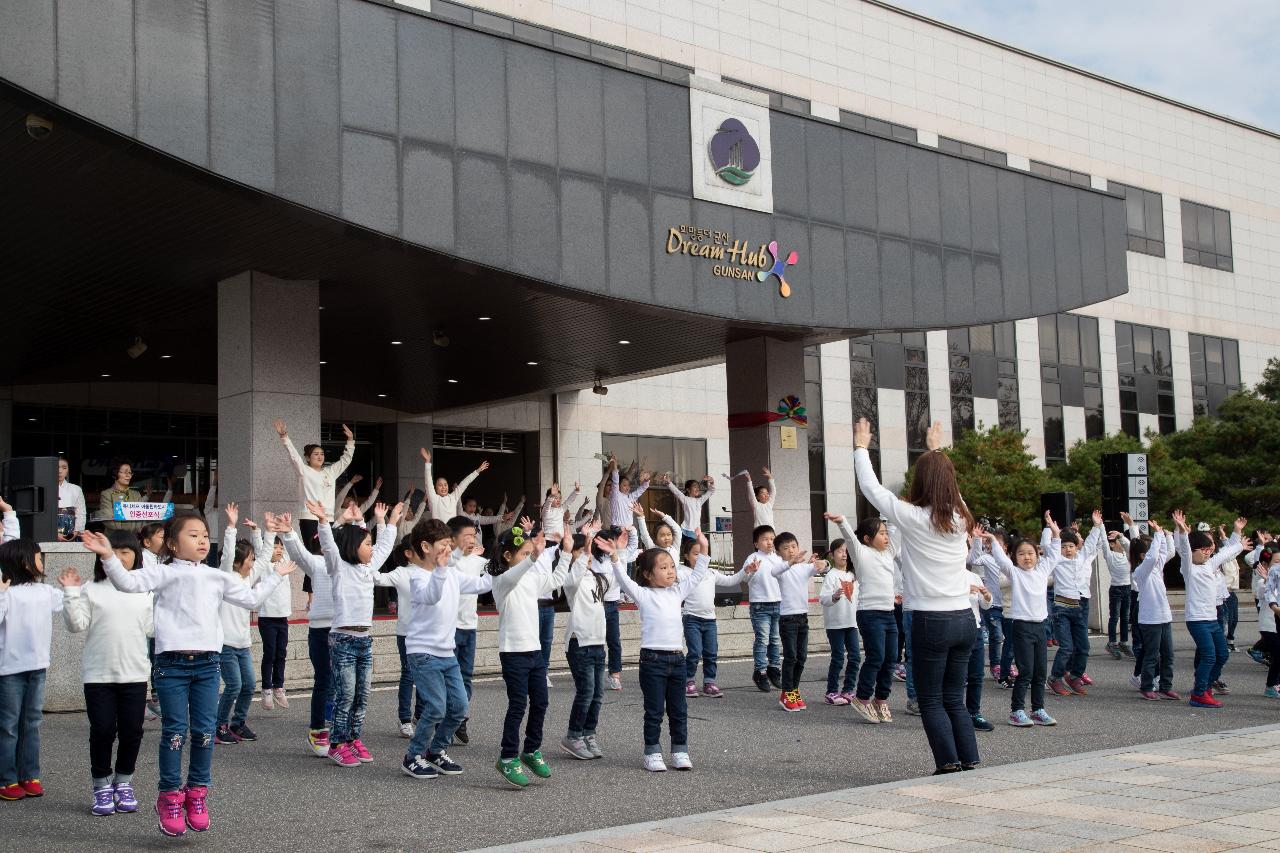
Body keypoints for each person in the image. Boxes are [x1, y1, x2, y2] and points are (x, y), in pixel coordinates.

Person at [86, 516, 294, 837]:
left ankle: (197, 794)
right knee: (175, 732)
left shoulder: (216, 576)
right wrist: (108, 557)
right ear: (172, 543)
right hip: (171, 666)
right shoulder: (163, 572)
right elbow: (127, 583)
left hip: (208, 665)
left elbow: (251, 599)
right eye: (193, 534)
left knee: (204, 732)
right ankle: (169, 796)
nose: (201, 540)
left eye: (204, 535)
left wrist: (276, 576)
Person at [853, 417, 979, 775]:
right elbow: (950, 488)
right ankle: (970, 760)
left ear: (920, 482)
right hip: (964, 619)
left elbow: (871, 489)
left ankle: (949, 763)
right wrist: (936, 451)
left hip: (930, 620)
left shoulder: (913, 517)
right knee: (955, 697)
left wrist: (862, 446)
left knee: (931, 698)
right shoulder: (960, 516)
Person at [599, 527, 712, 772]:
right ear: (649, 574)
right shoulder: (642, 594)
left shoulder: (678, 591)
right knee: (654, 711)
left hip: (677, 660)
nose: (670, 571)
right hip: (652, 661)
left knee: (679, 710)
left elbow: (697, 574)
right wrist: (616, 557)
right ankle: (652, 751)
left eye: (672, 566)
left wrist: (703, 548)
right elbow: (623, 580)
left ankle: (680, 750)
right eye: (663, 568)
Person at [60, 530, 152, 815]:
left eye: (128, 552)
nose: (122, 558)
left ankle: (124, 782)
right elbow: (76, 625)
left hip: (135, 674)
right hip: (98, 675)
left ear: (136, 556)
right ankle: (101, 784)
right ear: (102, 556)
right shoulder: (91, 588)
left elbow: (152, 629)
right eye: (116, 551)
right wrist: (71, 592)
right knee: (102, 730)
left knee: (132, 731)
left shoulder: (144, 589)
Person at [308, 498, 402, 767]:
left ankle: (353, 739)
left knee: (362, 695)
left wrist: (390, 522)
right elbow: (328, 545)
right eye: (367, 544)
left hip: (364, 640)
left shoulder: (368, 569)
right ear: (353, 547)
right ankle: (337, 744)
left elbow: (384, 547)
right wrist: (324, 522)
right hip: (343, 640)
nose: (372, 549)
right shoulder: (339, 568)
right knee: (345, 694)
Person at [399, 519, 490, 780]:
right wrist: (441, 570)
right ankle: (412, 756)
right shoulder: (417, 576)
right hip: (422, 653)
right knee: (436, 707)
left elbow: (482, 585)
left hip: (447, 653)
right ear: (426, 547)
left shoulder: (450, 573)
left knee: (460, 707)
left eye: (450, 545)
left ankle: (436, 751)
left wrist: (505, 567)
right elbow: (431, 596)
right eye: (443, 546)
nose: (449, 550)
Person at [489, 520, 571, 787]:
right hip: (513, 652)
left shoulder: (532, 576)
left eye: (528, 553)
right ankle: (508, 757)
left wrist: (568, 553)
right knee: (517, 705)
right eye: (522, 554)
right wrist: (533, 558)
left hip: (534, 651)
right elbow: (514, 575)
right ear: (507, 556)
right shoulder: (501, 581)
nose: (528, 558)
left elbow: (558, 579)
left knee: (541, 703)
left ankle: (531, 750)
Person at [0, 534, 63, 802]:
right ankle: (7, 778)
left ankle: (29, 774)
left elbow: (70, 602)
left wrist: (74, 588)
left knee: (32, 723)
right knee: (8, 726)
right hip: (8, 670)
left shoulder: (45, 591)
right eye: (38, 557)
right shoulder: (8, 593)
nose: (42, 561)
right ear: (25, 563)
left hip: (38, 667)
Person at [269, 512, 336, 758]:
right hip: (320, 630)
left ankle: (342, 731)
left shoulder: (347, 565)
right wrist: (288, 533)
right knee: (324, 679)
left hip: (344, 630)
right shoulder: (317, 564)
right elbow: (299, 555)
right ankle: (317, 729)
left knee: (345, 682)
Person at [981, 518, 1057, 728]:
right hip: (1021, 626)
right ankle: (1016, 710)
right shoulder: (1014, 573)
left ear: (1037, 555)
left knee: (1041, 671)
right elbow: (1000, 558)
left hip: (1040, 626)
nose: (1027, 557)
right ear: (1014, 556)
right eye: (1021, 554)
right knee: (1026, 671)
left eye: (1031, 553)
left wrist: (1055, 534)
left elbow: (1054, 556)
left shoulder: (1042, 572)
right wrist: (992, 541)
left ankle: (1038, 708)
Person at [826, 512, 900, 725]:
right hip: (869, 614)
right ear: (867, 538)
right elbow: (850, 537)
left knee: (890, 659)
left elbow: (901, 532)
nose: (886, 537)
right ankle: (862, 698)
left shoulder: (889, 553)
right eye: (881, 534)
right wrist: (842, 521)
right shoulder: (861, 553)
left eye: (887, 533)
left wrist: (898, 512)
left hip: (888, 613)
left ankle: (881, 699)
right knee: (876, 657)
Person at [1174, 511, 1247, 708]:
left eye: (1209, 549)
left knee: (1222, 654)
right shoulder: (1188, 567)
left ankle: (1204, 686)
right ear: (1194, 550)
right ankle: (1198, 694)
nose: (1207, 552)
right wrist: (1181, 530)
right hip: (1197, 620)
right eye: (1203, 550)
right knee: (1209, 655)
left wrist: (1238, 537)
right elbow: (1185, 549)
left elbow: (1225, 553)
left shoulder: (1210, 564)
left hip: (1212, 619)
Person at [213, 505, 273, 744]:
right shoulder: (225, 576)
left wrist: (267, 531)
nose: (253, 561)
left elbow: (267, 557)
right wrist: (230, 527)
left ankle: (238, 723)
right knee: (234, 686)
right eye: (250, 558)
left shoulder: (248, 577)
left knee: (248, 685)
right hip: (225, 643)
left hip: (243, 643)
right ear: (239, 562)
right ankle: (219, 726)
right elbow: (227, 556)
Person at [676, 521, 751, 699]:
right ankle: (689, 681)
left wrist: (745, 571)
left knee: (711, 652)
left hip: (710, 620)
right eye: (695, 554)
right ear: (686, 556)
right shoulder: (683, 573)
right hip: (691, 618)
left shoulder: (711, 573)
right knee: (694, 651)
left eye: (702, 553)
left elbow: (731, 580)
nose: (700, 557)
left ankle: (709, 682)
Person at [559, 525, 610, 760]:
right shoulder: (571, 580)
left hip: (598, 644)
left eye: (587, 551)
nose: (587, 555)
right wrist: (584, 545)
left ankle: (589, 733)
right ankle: (573, 736)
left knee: (598, 694)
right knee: (586, 692)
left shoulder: (595, 577)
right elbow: (575, 573)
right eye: (581, 552)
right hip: (579, 643)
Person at [273, 419, 355, 553]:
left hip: (328, 518)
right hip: (309, 518)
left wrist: (350, 440)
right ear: (308, 458)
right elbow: (294, 456)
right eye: (316, 454)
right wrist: (284, 436)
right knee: (314, 553)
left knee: (327, 554)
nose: (320, 456)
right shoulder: (303, 470)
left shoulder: (330, 472)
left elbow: (346, 460)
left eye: (322, 454)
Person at [1046, 511, 1105, 698]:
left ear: (1077, 546)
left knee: (1083, 647)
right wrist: (1051, 530)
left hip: (1079, 607)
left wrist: (1096, 526)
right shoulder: (1057, 561)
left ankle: (1074, 676)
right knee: (1066, 647)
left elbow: (1090, 545)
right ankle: (1055, 678)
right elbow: (1049, 548)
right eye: (1064, 546)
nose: (1068, 549)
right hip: (1061, 608)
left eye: (1071, 546)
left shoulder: (1082, 558)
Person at [771, 534, 825, 712]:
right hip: (788, 619)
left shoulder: (804, 568)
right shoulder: (781, 568)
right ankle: (787, 693)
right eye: (786, 548)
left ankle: (794, 689)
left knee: (801, 657)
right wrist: (790, 562)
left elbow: (821, 568)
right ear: (778, 552)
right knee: (791, 656)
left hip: (803, 618)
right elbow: (774, 572)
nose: (791, 550)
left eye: (793, 546)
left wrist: (823, 564)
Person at [447, 515, 488, 744]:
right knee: (449, 678)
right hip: (450, 628)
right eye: (468, 536)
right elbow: (450, 562)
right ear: (453, 539)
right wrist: (456, 551)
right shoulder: (447, 560)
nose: (472, 540)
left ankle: (460, 718)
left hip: (470, 626)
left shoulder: (476, 561)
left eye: (474, 535)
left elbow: (498, 568)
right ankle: (448, 720)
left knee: (466, 676)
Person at [1133, 522, 1179, 700]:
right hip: (1149, 620)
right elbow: (1153, 558)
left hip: (1164, 617)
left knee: (1168, 655)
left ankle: (1165, 686)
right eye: (1151, 549)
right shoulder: (1140, 571)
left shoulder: (1157, 569)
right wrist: (1158, 535)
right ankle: (1146, 686)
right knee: (1152, 655)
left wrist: (1167, 536)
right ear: (1142, 555)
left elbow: (1169, 553)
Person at [253, 527, 291, 712]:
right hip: (267, 617)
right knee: (270, 654)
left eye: (280, 547)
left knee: (281, 653)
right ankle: (266, 689)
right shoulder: (265, 566)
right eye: (275, 546)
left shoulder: (285, 563)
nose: (278, 550)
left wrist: (286, 530)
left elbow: (292, 547)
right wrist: (256, 532)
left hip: (283, 617)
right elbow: (262, 549)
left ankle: (279, 687)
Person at [819, 537, 859, 706]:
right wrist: (834, 596)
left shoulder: (853, 575)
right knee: (838, 658)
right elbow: (823, 599)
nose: (844, 554)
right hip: (835, 624)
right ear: (832, 555)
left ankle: (848, 690)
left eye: (847, 551)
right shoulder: (831, 575)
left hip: (852, 623)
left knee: (855, 657)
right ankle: (831, 691)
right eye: (840, 551)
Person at [744, 525, 784, 693]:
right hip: (760, 605)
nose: (769, 542)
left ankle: (774, 669)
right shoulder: (753, 557)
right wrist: (751, 570)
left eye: (772, 538)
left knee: (775, 639)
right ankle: (760, 671)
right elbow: (746, 577)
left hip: (778, 604)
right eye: (765, 539)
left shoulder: (778, 558)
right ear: (756, 543)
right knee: (763, 640)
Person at [961, 557, 993, 731]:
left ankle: (974, 712)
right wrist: (965, 590)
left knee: (976, 675)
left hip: (976, 628)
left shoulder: (974, 576)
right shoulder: (946, 575)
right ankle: (955, 714)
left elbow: (985, 605)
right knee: (957, 676)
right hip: (956, 628)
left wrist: (987, 597)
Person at [420, 448, 490, 522]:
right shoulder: (433, 498)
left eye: (445, 484)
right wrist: (427, 462)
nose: (443, 487)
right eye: (440, 485)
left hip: (452, 532)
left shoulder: (453, 497)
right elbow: (428, 483)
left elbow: (465, 483)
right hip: (438, 532)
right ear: (436, 489)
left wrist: (478, 471)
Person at [1104, 527, 1135, 660]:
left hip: (1128, 588)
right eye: (1118, 542)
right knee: (1114, 617)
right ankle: (1112, 643)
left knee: (1125, 617)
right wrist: (1100, 526)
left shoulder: (1127, 555)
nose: (1121, 544)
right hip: (1116, 589)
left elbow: (1131, 545)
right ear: (1111, 544)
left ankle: (1123, 642)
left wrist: (1121, 535)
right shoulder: (1110, 555)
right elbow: (1104, 545)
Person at [100, 459, 145, 532]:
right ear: (115, 474)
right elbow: (107, 519)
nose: (128, 475)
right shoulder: (106, 494)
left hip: (133, 539)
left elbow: (141, 518)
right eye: (125, 472)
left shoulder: (136, 494)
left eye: (130, 472)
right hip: (114, 539)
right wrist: (125, 533)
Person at [57, 456, 87, 541]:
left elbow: (81, 511)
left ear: (68, 470)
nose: (60, 471)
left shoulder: (76, 489)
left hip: (72, 529)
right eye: (56, 467)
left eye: (64, 468)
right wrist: (52, 532)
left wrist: (76, 531)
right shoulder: (46, 488)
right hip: (51, 529)